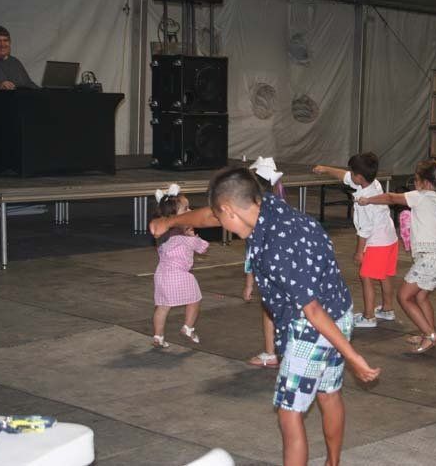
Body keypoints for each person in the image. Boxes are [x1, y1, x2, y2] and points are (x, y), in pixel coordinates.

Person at [155, 167, 380, 466]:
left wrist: (354, 357)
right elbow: (209, 214)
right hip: (340, 309)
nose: (219, 225)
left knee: (289, 413)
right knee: (329, 394)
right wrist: (170, 221)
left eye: (222, 219)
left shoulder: (277, 248)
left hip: (314, 327)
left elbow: (311, 310)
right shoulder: (268, 205)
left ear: (230, 211)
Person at [357, 159, 436, 354]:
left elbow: (391, 198)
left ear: (425, 182)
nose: (414, 184)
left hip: (430, 258)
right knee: (421, 296)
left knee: (404, 297)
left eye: (416, 180)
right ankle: (428, 333)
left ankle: (431, 335)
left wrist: (368, 200)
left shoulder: (422, 196)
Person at [313, 152, 399, 329]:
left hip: (376, 242)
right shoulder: (374, 183)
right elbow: (345, 176)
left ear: (359, 177)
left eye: (352, 172)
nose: (349, 174)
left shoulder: (363, 201)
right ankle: (387, 309)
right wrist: (326, 169)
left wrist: (359, 251)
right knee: (384, 275)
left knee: (366, 276)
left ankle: (368, 317)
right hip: (389, 238)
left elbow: (364, 229)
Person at [151, 184, 209, 349]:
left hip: (161, 273)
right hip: (179, 274)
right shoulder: (183, 235)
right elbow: (202, 247)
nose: (190, 210)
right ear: (174, 215)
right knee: (195, 299)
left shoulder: (162, 234)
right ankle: (188, 328)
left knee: (162, 307)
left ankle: (158, 336)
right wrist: (193, 236)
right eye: (186, 208)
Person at [244, 156, 285, 368]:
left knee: (270, 311)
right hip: (289, 270)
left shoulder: (256, 215)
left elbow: (254, 252)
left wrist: (250, 282)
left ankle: (271, 352)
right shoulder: (282, 207)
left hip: (271, 271)